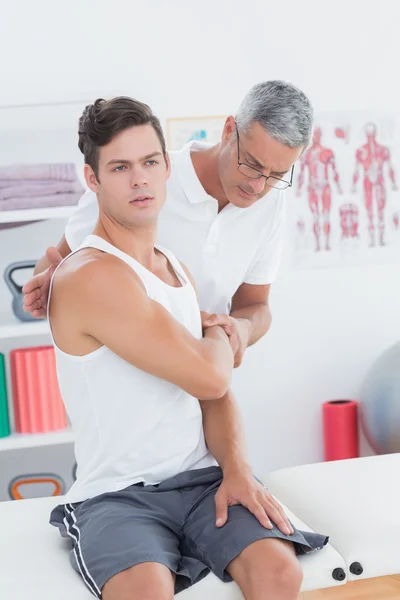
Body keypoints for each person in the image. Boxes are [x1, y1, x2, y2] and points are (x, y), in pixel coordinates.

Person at [47, 97, 327, 600]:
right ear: (93, 181)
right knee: (145, 591)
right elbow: (211, 376)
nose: (140, 181)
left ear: (167, 167)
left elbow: (212, 393)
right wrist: (223, 333)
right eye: (120, 167)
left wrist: (238, 471)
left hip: (199, 480)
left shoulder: (174, 268)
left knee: (279, 573)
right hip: (119, 494)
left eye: (150, 163)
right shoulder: (91, 276)